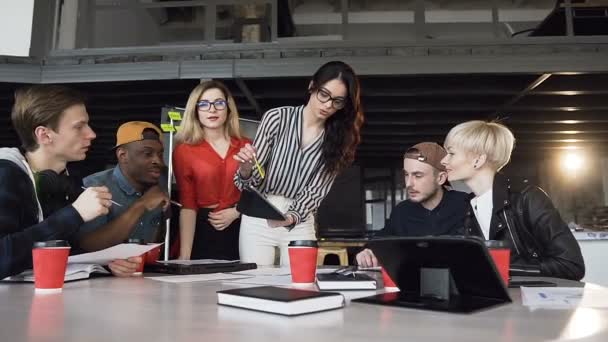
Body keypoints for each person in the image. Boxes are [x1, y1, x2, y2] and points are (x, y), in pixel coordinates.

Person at [234, 61, 364, 266]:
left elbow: (316, 190)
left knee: (300, 284)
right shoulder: (276, 118)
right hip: (259, 214)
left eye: (338, 101)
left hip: (300, 219)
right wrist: (246, 169)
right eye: (324, 94)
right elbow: (249, 182)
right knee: (254, 281)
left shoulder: (339, 140)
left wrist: (292, 217)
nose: (328, 105)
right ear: (312, 86)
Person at [441, 120, 585, 280]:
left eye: (451, 153)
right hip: (499, 299)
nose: (443, 161)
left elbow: (571, 266)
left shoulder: (527, 198)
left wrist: (502, 268)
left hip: (535, 301)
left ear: (478, 160)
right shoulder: (469, 207)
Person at [0, 85, 111, 279]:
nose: (91, 134)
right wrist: (75, 214)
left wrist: (108, 264)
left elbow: (64, 253)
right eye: (79, 127)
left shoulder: (64, 181)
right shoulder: (6, 175)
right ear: (44, 135)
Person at [356, 142, 469, 268]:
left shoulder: (466, 206)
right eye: (406, 175)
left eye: (418, 175)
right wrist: (367, 252)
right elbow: (378, 243)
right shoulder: (402, 212)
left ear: (441, 178)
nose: (409, 183)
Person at [173, 81, 250, 260]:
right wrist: (185, 257)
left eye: (219, 103)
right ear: (196, 110)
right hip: (204, 229)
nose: (212, 109)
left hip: (243, 225)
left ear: (228, 108)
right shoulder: (184, 151)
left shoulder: (247, 145)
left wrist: (237, 211)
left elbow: (260, 191)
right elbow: (188, 205)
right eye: (204, 104)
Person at [79, 122, 171, 270]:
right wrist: (141, 205)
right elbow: (87, 246)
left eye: (160, 154)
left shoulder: (159, 184)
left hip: (145, 278)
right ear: (123, 155)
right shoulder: (95, 186)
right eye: (148, 154)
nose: (158, 161)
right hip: (99, 282)